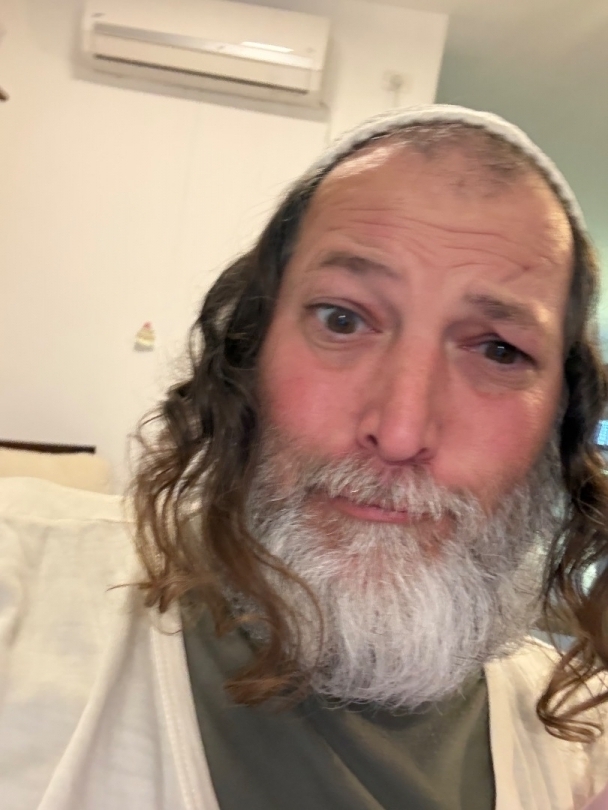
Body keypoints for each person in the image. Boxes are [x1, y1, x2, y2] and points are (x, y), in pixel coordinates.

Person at [0, 105, 607, 810]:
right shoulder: (23, 592)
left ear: (561, 420)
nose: (401, 431)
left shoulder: (580, 751)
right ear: (249, 351)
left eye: (499, 350)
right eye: (342, 319)